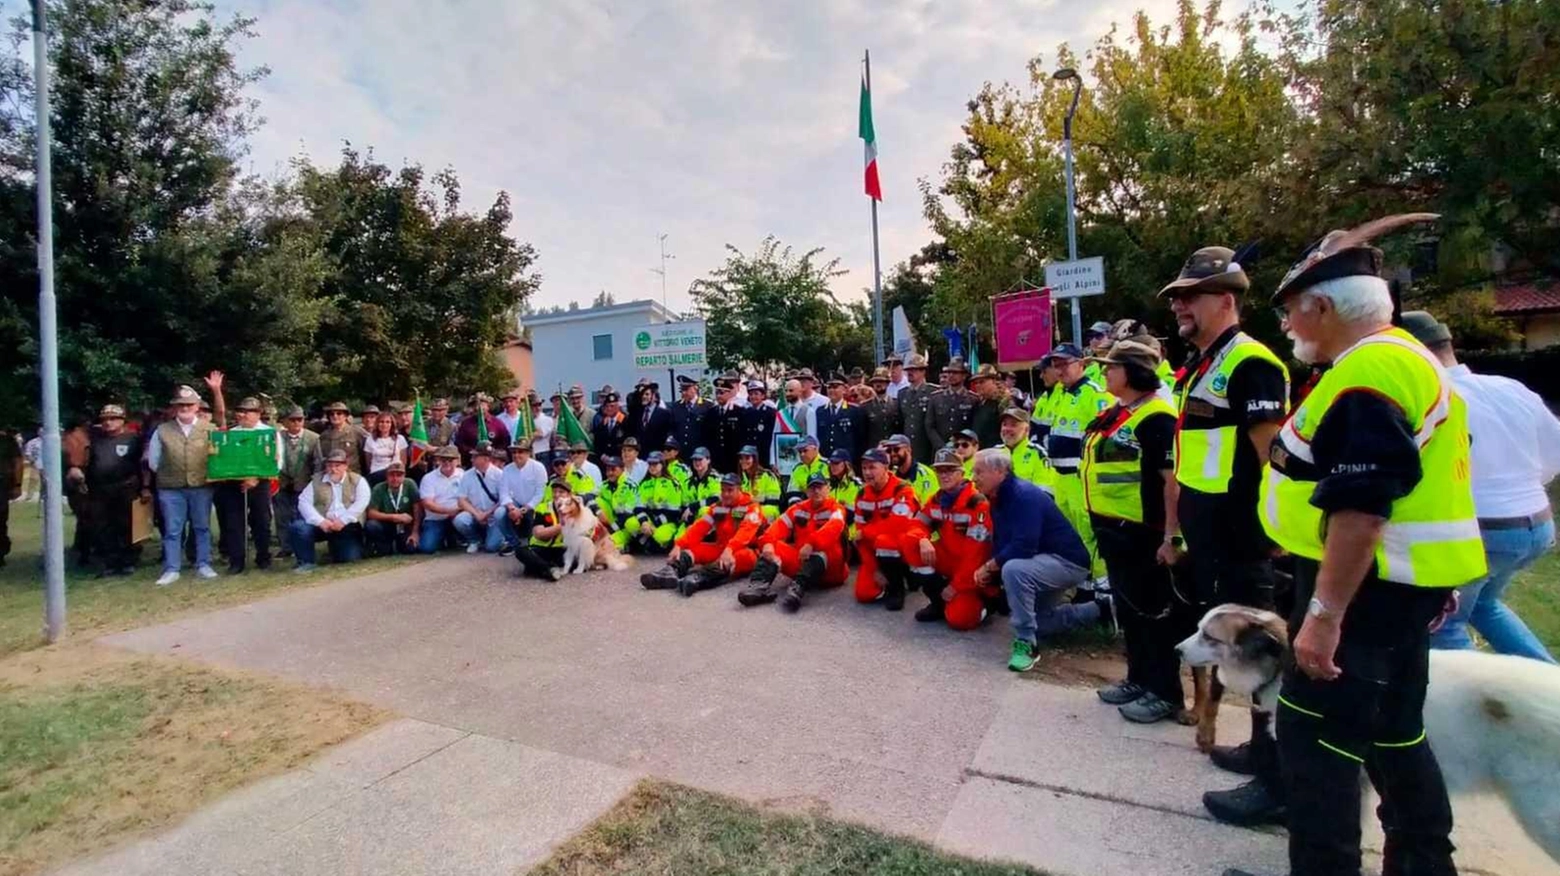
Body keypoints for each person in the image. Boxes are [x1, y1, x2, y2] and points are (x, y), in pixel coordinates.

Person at [1251, 217, 1486, 876]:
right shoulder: (1402, 360)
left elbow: (1362, 506)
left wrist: (1323, 618)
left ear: (1323, 306)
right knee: (1395, 737)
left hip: (1359, 597)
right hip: (1395, 594)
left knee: (1316, 753)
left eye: (1293, 312)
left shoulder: (1371, 371)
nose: (1290, 326)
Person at [1158, 245, 1290, 807]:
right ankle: (1258, 751)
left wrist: (1280, 530)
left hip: (1243, 533)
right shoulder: (1203, 365)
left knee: (1259, 659)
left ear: (1227, 299)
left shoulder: (1251, 362)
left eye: (1190, 296)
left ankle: (1273, 772)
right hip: (1208, 531)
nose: (1179, 306)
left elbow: (1270, 455)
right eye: (1177, 298)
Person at [1399, 311, 1558, 664]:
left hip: (1480, 529)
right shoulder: (1510, 388)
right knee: (1484, 605)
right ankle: (1548, 684)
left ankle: (1488, 707)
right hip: (1536, 523)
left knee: (1444, 625)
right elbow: (1554, 452)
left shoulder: (1428, 399)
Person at [1080, 339, 1186, 724]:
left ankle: (1165, 692)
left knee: (1153, 614)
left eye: (1112, 366)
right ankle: (1138, 678)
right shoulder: (1120, 413)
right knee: (1131, 611)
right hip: (1114, 530)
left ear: (1135, 372)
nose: (1105, 371)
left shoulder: (1157, 417)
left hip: (1144, 532)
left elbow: (1171, 482)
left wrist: (1170, 537)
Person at [971, 448, 1100, 672]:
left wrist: (990, 566)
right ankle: (1101, 610)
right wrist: (992, 573)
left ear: (1000, 471)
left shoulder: (1023, 495)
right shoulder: (997, 497)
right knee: (1041, 622)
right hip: (1042, 561)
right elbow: (1003, 540)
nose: (973, 477)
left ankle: (1026, 644)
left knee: (1013, 569)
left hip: (1067, 562)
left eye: (979, 472)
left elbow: (1024, 545)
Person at [1037, 343, 1114, 588]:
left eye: (1065, 364)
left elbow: (1106, 437)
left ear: (1081, 363)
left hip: (1080, 478)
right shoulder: (1060, 394)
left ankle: (1102, 588)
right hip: (1059, 477)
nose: (1060, 370)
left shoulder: (1094, 394)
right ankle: (1084, 585)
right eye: (1056, 365)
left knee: (1089, 532)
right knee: (1071, 534)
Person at [906, 448, 996, 630]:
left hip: (974, 573)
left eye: (949, 470)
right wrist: (923, 539)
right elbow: (916, 524)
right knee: (909, 542)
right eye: (940, 471)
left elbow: (976, 555)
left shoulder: (977, 503)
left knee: (959, 619)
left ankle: (988, 604)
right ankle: (938, 602)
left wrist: (955, 587)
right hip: (951, 561)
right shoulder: (938, 498)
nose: (943, 476)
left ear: (962, 473)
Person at [740, 471, 849, 612]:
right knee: (772, 545)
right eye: (812, 487)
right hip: (803, 562)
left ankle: (797, 589)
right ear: (807, 491)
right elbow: (777, 527)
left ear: (828, 488)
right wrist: (767, 544)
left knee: (822, 549)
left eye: (820, 487)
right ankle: (758, 587)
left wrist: (811, 543)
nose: (816, 491)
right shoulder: (798, 509)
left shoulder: (836, 508)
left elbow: (834, 527)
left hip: (832, 570)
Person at [640, 473, 764, 596]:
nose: (725, 494)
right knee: (691, 550)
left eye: (730, 490)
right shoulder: (718, 507)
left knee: (730, 560)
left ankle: (698, 579)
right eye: (723, 490)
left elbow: (745, 532)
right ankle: (670, 571)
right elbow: (699, 527)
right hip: (722, 547)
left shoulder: (752, 507)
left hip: (748, 552)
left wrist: (730, 549)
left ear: (740, 490)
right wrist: (679, 545)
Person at [147, 383, 221, 586]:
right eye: (181, 405)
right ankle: (172, 569)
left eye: (189, 404)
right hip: (171, 488)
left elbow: (218, 457)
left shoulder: (209, 429)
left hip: (201, 486)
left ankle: (203, 564)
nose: (185, 408)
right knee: (172, 529)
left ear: (197, 406)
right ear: (174, 407)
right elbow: (154, 461)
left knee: (202, 527)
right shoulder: (162, 430)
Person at [211, 391, 282, 575]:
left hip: (261, 483)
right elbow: (224, 460)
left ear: (258, 414)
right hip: (233, 484)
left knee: (262, 521)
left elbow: (276, 461)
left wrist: (256, 478)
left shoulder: (269, 433)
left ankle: (263, 557)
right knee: (234, 523)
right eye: (240, 411)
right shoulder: (232, 434)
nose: (242, 414)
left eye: (248, 411)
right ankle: (237, 561)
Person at [851, 447, 925, 610]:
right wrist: (874, 569)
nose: (867, 472)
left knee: (884, 541)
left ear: (886, 468)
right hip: (876, 551)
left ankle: (897, 587)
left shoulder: (903, 489)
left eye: (872, 467)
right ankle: (889, 576)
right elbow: (860, 538)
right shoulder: (861, 495)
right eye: (864, 468)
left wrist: (866, 532)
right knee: (864, 594)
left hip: (902, 547)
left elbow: (898, 524)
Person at [83, 404, 145, 576]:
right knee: (103, 526)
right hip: (100, 489)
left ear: (122, 421)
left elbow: (142, 465)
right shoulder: (95, 440)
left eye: (113, 419)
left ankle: (128, 561)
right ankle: (110, 562)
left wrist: (143, 487)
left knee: (127, 525)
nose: (108, 423)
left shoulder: (133, 439)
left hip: (126, 487)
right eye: (104, 419)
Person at [289, 449, 369, 571]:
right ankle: (306, 562)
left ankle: (336, 550)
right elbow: (303, 502)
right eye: (330, 465)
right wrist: (320, 521)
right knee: (298, 527)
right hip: (323, 525)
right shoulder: (316, 481)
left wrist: (343, 521)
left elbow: (361, 503)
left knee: (349, 559)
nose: (333, 469)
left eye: (337, 466)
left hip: (346, 526)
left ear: (345, 466)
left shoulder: (358, 480)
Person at [512, 478, 571, 581]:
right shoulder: (542, 508)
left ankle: (539, 568)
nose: (557, 495)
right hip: (541, 547)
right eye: (555, 492)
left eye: (561, 492)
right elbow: (539, 534)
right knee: (520, 551)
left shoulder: (576, 509)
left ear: (569, 495)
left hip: (563, 549)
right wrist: (563, 526)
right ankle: (548, 569)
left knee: (581, 552)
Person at [453, 443, 506, 553]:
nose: (472, 459)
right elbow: (461, 500)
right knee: (460, 520)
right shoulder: (467, 475)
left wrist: (487, 513)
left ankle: (501, 538)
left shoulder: (499, 475)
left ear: (486, 459)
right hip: (475, 513)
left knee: (491, 547)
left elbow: (504, 499)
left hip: (493, 516)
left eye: (475, 457)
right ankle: (474, 540)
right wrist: (477, 514)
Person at [629, 452, 683, 554]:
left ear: (662, 464)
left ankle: (654, 544)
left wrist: (655, 524)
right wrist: (644, 522)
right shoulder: (644, 483)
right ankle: (647, 542)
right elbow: (638, 507)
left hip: (667, 520)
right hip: (649, 518)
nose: (652, 467)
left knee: (660, 536)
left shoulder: (673, 483)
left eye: (655, 464)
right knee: (630, 524)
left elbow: (675, 512)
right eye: (650, 464)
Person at [497, 440, 548, 551]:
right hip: (515, 505)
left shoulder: (538, 468)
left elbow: (541, 493)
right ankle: (513, 543)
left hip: (535, 505)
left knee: (532, 541)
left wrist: (524, 509)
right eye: (514, 452)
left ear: (528, 453)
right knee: (499, 513)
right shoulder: (507, 469)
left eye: (520, 452)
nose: (516, 455)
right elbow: (503, 492)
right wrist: (511, 508)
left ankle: (533, 543)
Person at [364, 460, 421, 556]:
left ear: (404, 476)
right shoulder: (379, 488)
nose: (395, 478)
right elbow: (371, 513)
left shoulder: (410, 484)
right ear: (386, 476)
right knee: (371, 525)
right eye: (392, 475)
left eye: (399, 475)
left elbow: (418, 510)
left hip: (406, 526)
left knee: (410, 549)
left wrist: (415, 532)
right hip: (386, 525)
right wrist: (394, 517)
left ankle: (398, 544)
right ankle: (384, 545)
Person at [926, 358, 978, 457]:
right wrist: (942, 446)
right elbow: (929, 426)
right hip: (940, 450)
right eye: (949, 372)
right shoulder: (936, 397)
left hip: (963, 451)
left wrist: (962, 446)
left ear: (964, 376)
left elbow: (974, 427)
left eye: (955, 373)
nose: (951, 376)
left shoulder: (973, 399)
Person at [417, 446, 464, 553]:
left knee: (464, 520)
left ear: (457, 460)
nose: (447, 462)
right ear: (438, 460)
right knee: (426, 548)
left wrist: (459, 511)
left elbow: (469, 498)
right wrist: (450, 511)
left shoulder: (463, 475)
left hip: (458, 516)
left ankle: (460, 538)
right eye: (443, 459)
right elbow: (427, 503)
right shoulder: (428, 478)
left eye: (451, 460)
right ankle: (445, 539)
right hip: (436, 519)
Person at [895, 354, 937, 465]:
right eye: (908, 370)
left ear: (923, 372)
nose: (910, 373)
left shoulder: (933, 392)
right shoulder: (902, 393)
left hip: (926, 445)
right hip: (908, 446)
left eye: (914, 370)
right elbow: (900, 421)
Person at [593, 455, 640, 551]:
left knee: (631, 524)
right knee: (597, 501)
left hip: (627, 522)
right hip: (613, 522)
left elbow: (629, 513)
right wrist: (598, 511)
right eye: (607, 470)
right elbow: (589, 495)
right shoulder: (604, 485)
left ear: (622, 469)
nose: (610, 473)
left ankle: (634, 543)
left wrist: (612, 529)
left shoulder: (630, 485)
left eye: (613, 469)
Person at [454, 394, 512, 467]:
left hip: (494, 463)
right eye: (476, 405)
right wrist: (472, 451)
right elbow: (460, 443)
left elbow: (505, 442)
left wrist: (494, 452)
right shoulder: (466, 423)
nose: (479, 407)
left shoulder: (497, 423)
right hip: (472, 463)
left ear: (488, 406)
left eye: (482, 405)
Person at [998, 408, 1049, 489]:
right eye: (1004, 424)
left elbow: (1044, 491)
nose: (1007, 429)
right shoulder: (994, 453)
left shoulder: (1038, 454)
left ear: (1027, 430)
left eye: (1013, 425)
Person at [817, 376, 863, 464]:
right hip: (826, 459)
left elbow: (860, 439)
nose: (831, 390)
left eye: (835, 387)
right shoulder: (820, 411)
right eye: (829, 387)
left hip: (847, 461)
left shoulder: (854, 410)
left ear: (844, 389)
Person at [884, 433, 937, 505]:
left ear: (908, 450)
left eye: (896, 449)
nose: (892, 453)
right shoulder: (890, 475)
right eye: (889, 450)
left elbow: (928, 508)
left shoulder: (926, 475)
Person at [316, 402, 368, 474]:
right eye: (332, 414)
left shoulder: (357, 432)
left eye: (339, 413)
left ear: (345, 416)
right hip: (332, 474)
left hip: (352, 474)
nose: (335, 416)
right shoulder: (324, 435)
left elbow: (365, 456)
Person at [710, 376, 747, 475]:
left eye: (722, 393)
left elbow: (743, 437)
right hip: (716, 459)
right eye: (717, 393)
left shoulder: (739, 412)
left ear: (730, 393)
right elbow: (707, 436)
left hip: (733, 459)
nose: (718, 396)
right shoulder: (711, 413)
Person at [362, 407, 407, 487]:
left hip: (395, 472)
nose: (384, 424)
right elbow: (368, 462)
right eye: (381, 422)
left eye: (387, 422)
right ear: (377, 423)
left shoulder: (400, 439)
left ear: (392, 424)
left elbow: (403, 461)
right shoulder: (370, 439)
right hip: (376, 473)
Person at [680, 447, 721, 534]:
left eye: (700, 459)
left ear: (708, 460)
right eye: (695, 459)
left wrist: (694, 506)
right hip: (691, 519)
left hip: (712, 522)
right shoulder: (688, 482)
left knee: (704, 510)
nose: (697, 462)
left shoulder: (715, 478)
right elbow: (684, 504)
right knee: (679, 539)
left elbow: (717, 499)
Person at [967, 364, 1009, 448]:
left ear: (994, 381)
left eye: (982, 382)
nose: (978, 385)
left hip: (996, 453)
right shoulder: (977, 404)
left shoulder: (1003, 403)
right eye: (976, 383)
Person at [669, 375, 713, 453]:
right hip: (681, 453)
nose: (683, 393)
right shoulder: (676, 407)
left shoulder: (707, 406)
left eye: (686, 389)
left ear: (695, 388)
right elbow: (672, 429)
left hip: (699, 452)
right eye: (681, 390)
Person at [735, 445, 781, 520]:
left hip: (768, 511)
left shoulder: (767, 476)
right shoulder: (741, 478)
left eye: (747, 458)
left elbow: (774, 499)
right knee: (732, 514)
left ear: (755, 459)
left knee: (749, 517)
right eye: (741, 458)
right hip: (749, 510)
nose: (743, 461)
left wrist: (751, 499)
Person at [856, 371, 900, 450]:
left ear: (887, 383)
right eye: (875, 382)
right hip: (874, 450)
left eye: (881, 381)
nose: (878, 384)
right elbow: (862, 434)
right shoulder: (865, 406)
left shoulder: (896, 404)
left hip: (893, 450)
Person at [740, 380, 778, 468]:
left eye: (756, 394)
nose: (753, 397)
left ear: (763, 395)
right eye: (751, 394)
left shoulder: (770, 413)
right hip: (749, 455)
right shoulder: (745, 413)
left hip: (764, 454)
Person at [783, 435, 828, 507]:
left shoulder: (827, 465)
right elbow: (792, 493)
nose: (802, 454)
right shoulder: (797, 469)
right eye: (799, 452)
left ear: (815, 449)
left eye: (805, 450)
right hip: (803, 509)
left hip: (825, 508)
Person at [631, 384, 672, 457]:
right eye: (643, 394)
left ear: (655, 397)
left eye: (647, 394)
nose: (644, 397)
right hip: (640, 456)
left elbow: (667, 435)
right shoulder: (637, 413)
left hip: (656, 455)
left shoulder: (664, 414)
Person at [590, 392, 628, 461]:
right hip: (605, 461)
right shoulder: (602, 424)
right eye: (607, 406)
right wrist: (602, 456)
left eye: (612, 406)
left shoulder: (625, 421)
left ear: (617, 406)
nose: (609, 409)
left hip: (620, 459)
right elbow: (597, 443)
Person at [1083, 320, 1116, 384]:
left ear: (1111, 338)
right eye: (1091, 336)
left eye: (1099, 335)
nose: (1094, 340)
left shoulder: (1119, 367)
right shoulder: (1089, 369)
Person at [527, 391, 556, 461]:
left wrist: (528, 438)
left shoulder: (547, 419)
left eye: (539, 405)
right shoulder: (525, 420)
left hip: (543, 453)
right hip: (528, 453)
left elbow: (540, 434)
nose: (537, 408)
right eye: (534, 405)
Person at [20, 427, 41, 502]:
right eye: (40, 430)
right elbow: (28, 453)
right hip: (35, 464)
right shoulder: (32, 442)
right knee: (33, 480)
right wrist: (33, 461)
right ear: (38, 432)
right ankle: (32, 495)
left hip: (49, 466)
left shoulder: (52, 441)